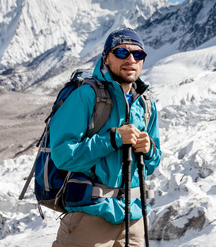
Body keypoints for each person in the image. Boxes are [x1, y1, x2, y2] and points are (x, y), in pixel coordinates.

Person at [50, 28, 161, 247]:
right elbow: (62, 155)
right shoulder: (86, 95)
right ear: (106, 58)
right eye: (121, 52)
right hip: (90, 218)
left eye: (138, 54)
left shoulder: (146, 104)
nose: (131, 59)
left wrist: (149, 150)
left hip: (134, 219)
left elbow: (152, 163)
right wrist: (112, 140)